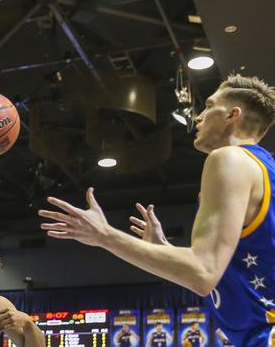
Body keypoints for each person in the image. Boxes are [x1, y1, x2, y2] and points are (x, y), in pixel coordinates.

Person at [38, 75, 275, 346]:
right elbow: (226, 271)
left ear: (233, 115)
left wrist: (104, 235)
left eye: (209, 106)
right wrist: (164, 249)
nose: (199, 117)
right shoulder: (264, 168)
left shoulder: (229, 158)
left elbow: (202, 273)